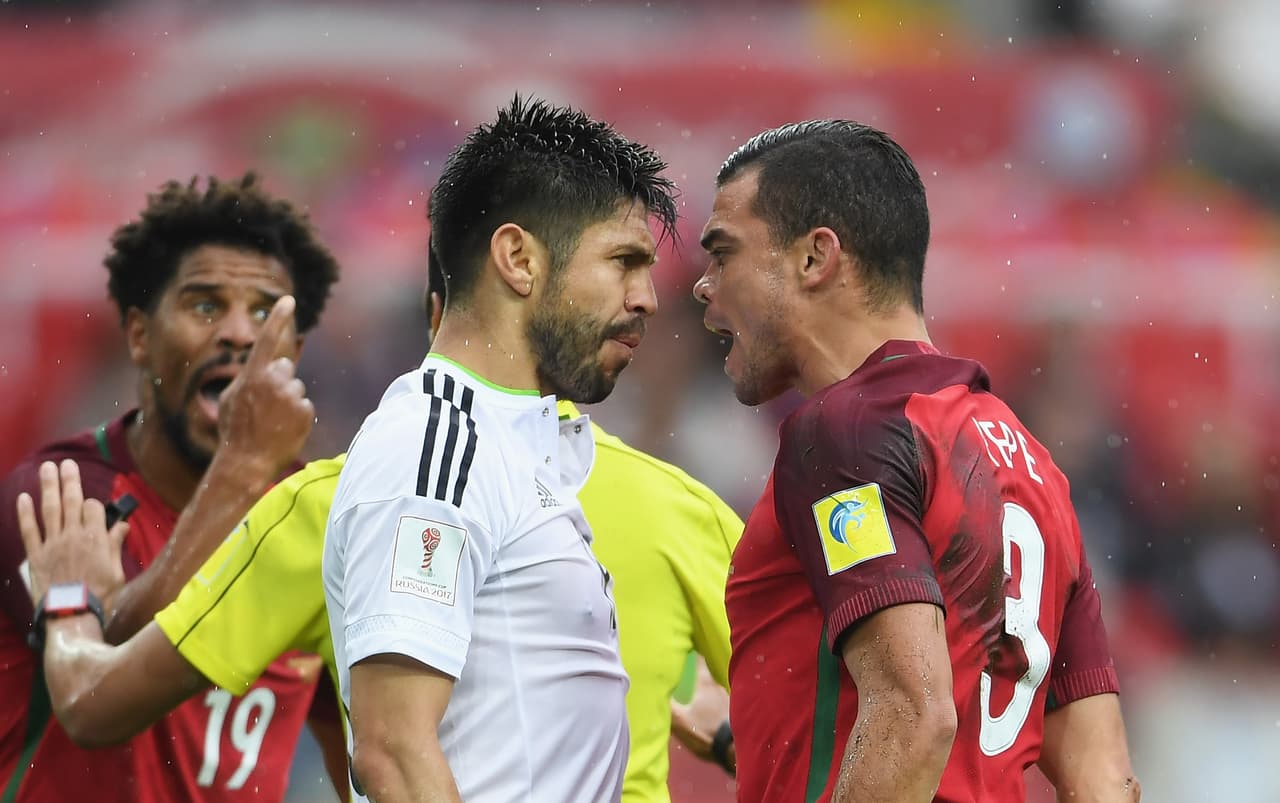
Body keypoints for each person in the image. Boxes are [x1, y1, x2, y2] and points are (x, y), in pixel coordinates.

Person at [13, 238, 742, 802]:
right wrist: (736, 736)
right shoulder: (682, 509)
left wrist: (72, 596)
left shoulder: (330, 505)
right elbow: (836, 720)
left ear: (439, 316)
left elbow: (97, 701)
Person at [693, 120, 1141, 802]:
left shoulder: (845, 431)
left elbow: (914, 715)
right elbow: (1105, 781)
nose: (703, 285)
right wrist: (744, 743)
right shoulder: (1031, 461)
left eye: (724, 253)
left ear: (816, 258)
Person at [0, 173, 342, 802]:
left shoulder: (314, 518)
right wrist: (243, 466)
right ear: (139, 335)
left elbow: (359, 744)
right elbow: (98, 691)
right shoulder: (64, 497)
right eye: (205, 304)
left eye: (266, 313)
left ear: (292, 350)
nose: (239, 333)